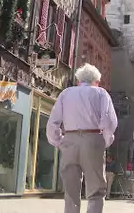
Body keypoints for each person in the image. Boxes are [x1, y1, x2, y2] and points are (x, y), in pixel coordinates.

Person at [46, 63, 118, 213]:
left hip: (70, 138)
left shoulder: (66, 93)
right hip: (93, 138)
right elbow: (109, 122)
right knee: (96, 190)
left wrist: (59, 141)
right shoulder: (101, 93)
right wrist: (104, 141)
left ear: (79, 80)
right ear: (96, 81)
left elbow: (53, 121)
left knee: (71, 190)